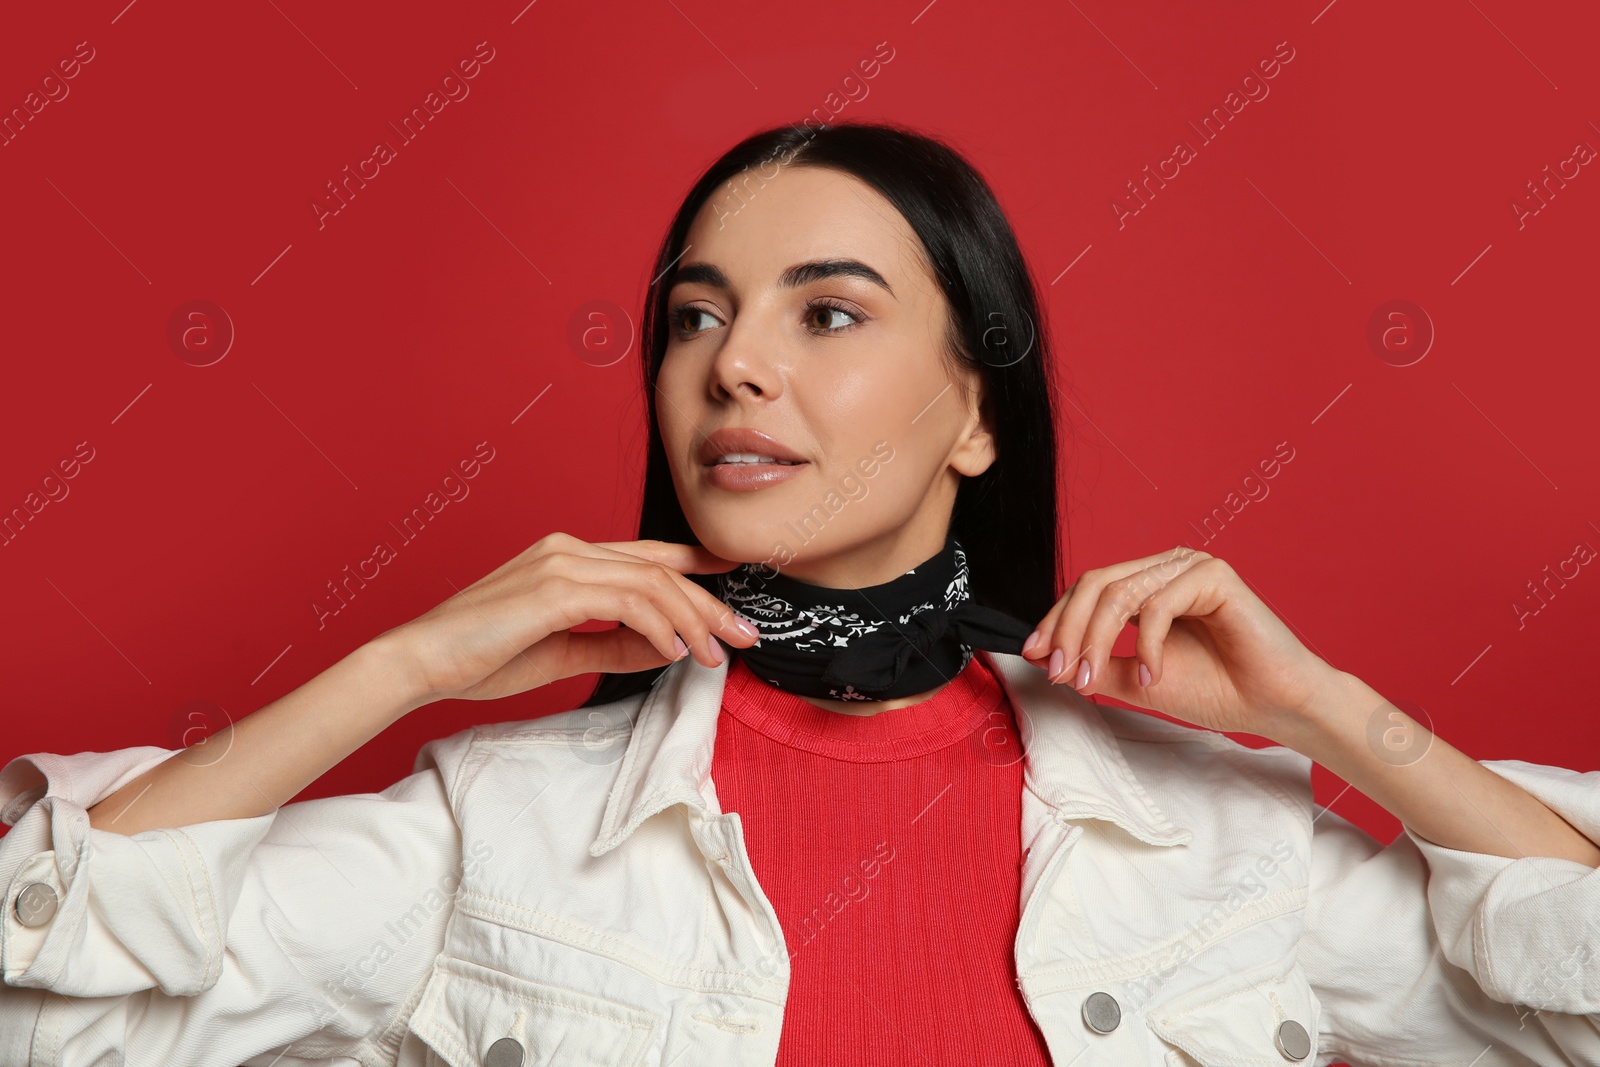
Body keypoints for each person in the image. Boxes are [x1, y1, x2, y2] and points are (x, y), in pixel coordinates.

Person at [1, 119, 1597, 1067]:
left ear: (978, 412)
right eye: (695, 320)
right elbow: (45, 1014)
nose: (734, 364)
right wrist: (400, 665)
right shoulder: (504, 829)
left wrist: (1330, 715)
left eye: (826, 314)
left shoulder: (1218, 835)